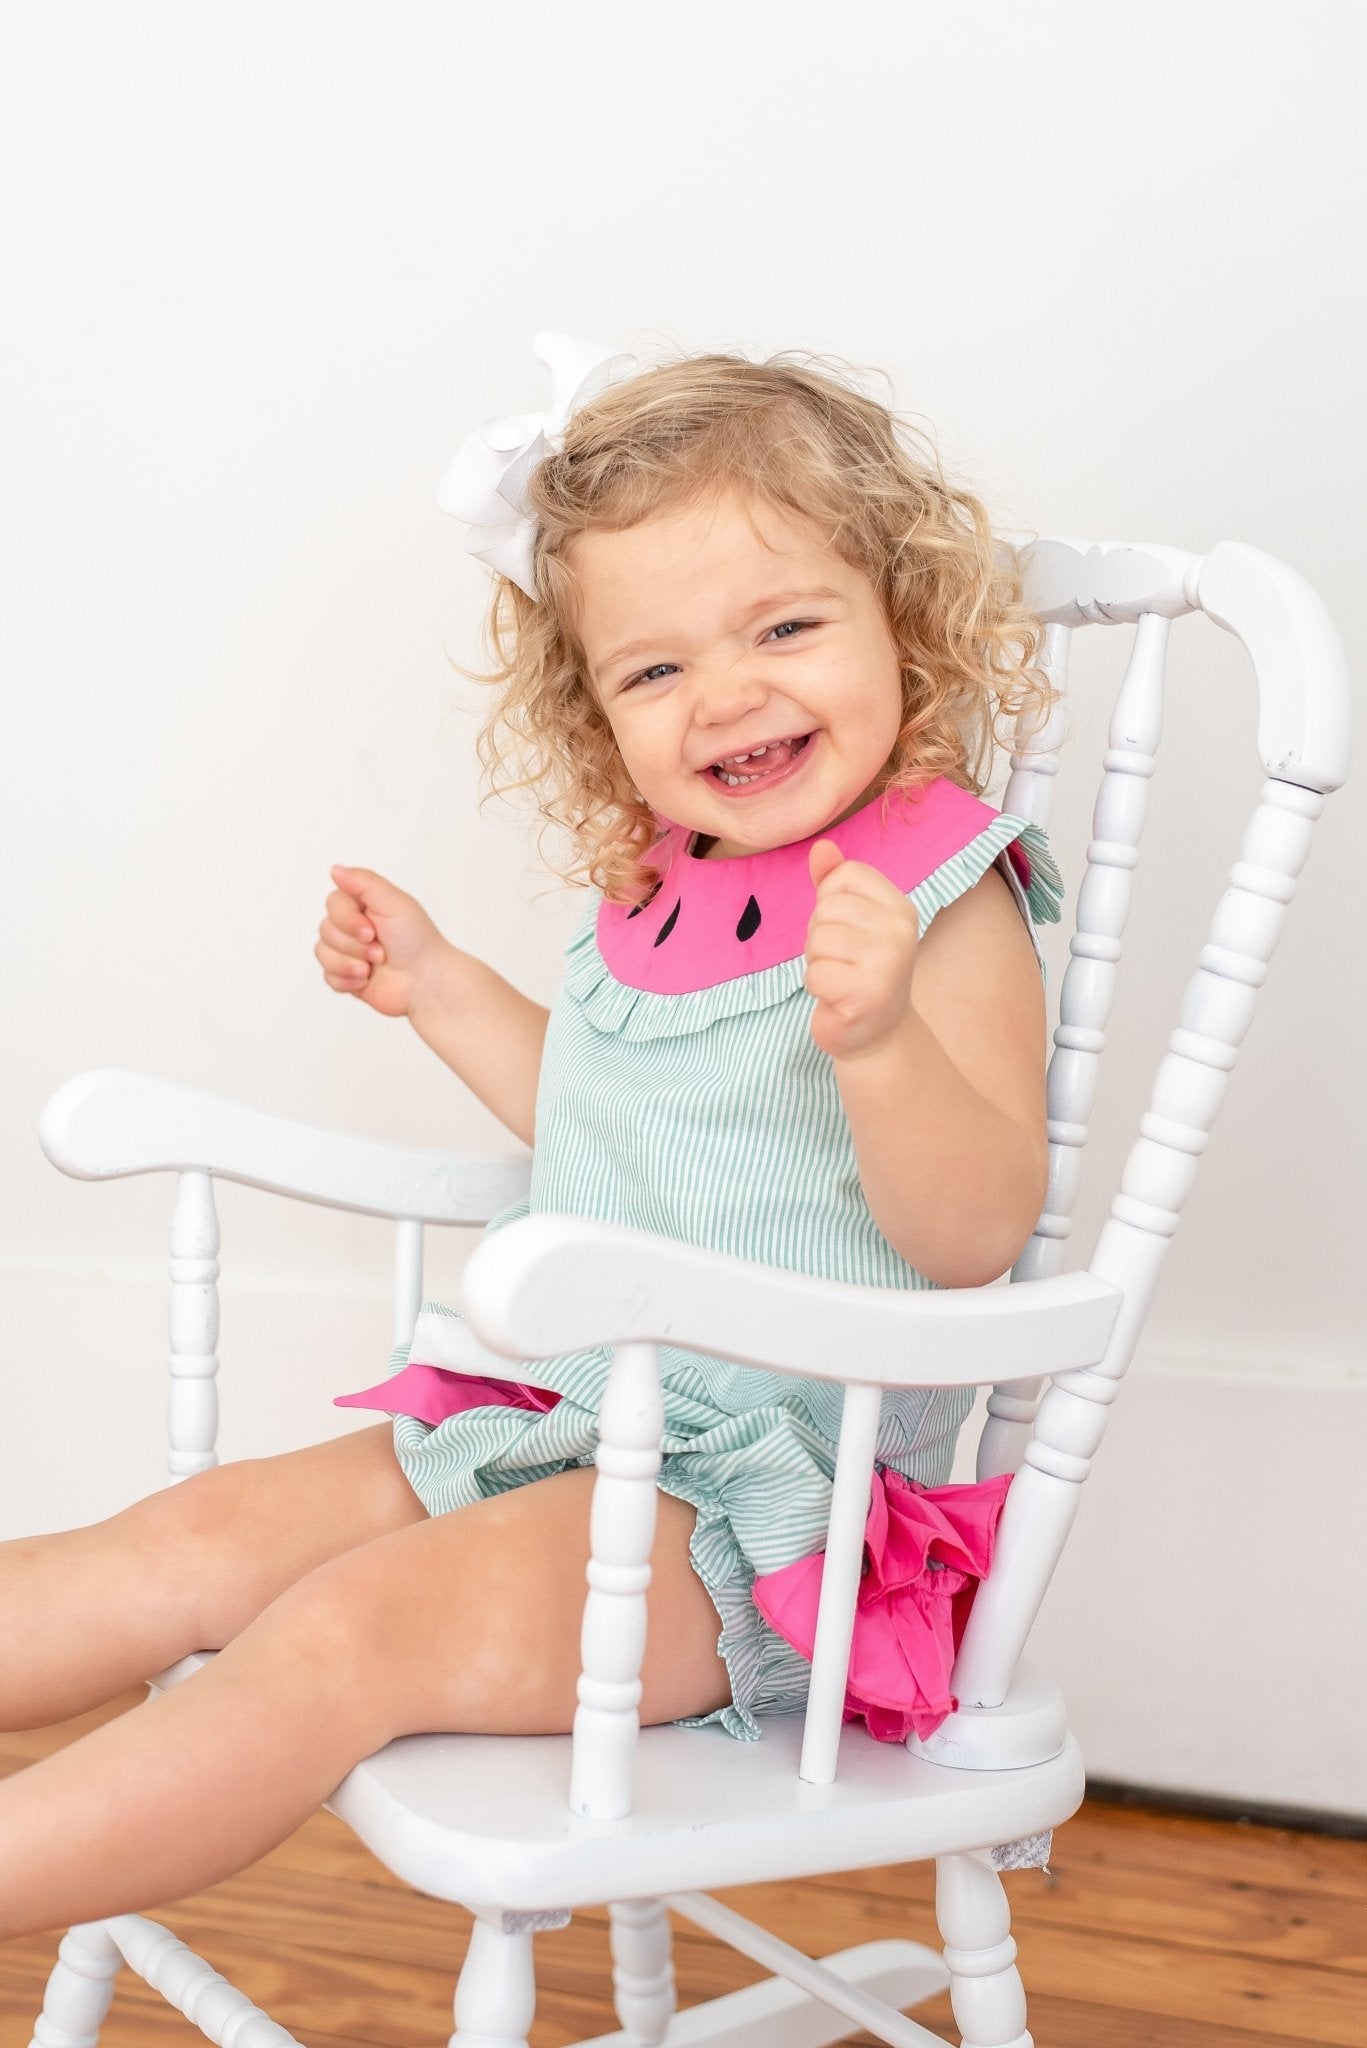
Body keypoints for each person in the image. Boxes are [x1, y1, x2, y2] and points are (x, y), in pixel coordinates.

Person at [0, 335, 1061, 1937]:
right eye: (655, 670)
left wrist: (885, 1044)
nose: (729, 693)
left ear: (901, 619)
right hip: (556, 1415)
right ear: (596, 709)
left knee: (340, 1637)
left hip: (756, 1523)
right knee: (195, 1535)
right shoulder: (665, 879)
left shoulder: (940, 888)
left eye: (784, 626)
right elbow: (609, 1128)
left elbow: (976, 1235)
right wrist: (442, 989)